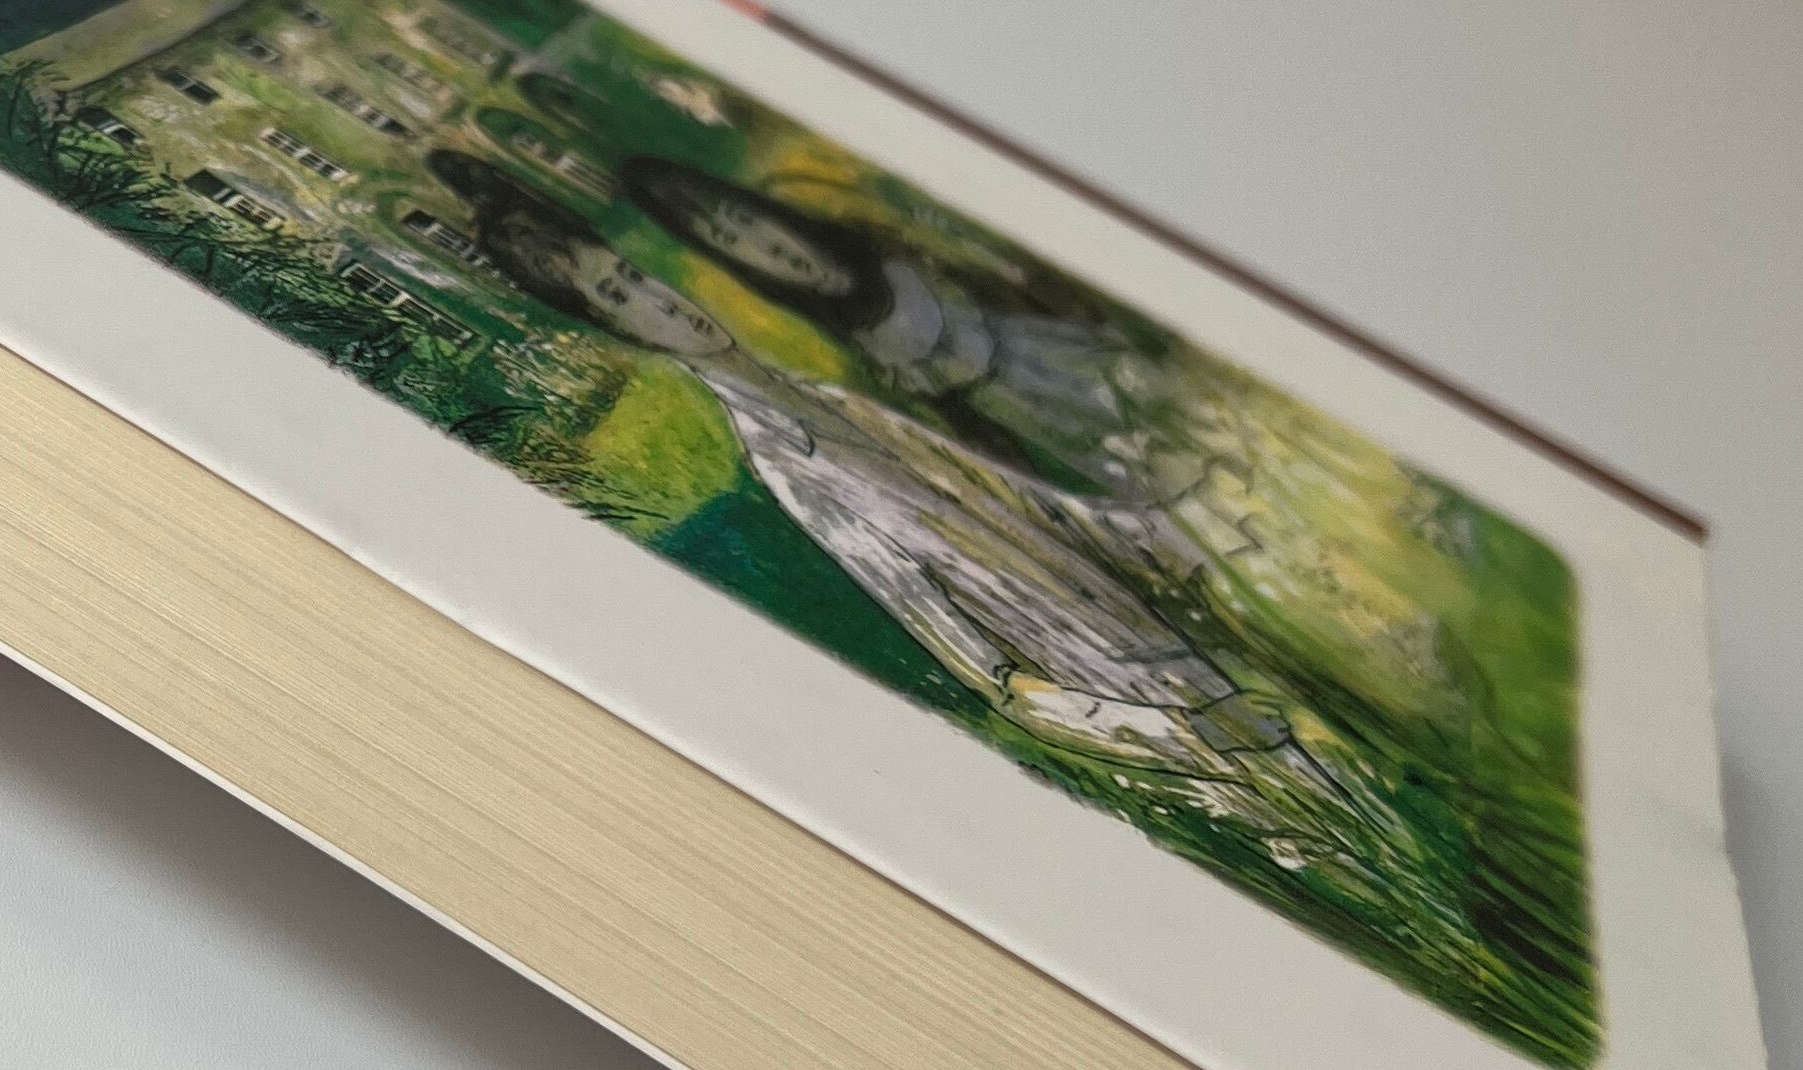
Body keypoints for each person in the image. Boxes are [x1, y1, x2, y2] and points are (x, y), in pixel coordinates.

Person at [428, 154, 1297, 787]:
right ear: (613, 327)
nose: (661, 300)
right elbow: (991, 675)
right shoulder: (793, 468)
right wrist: (1176, 734)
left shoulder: (842, 399)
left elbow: (1036, 511)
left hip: (1201, 662)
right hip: (1169, 716)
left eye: (636, 276)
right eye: (618, 298)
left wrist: (1193, 529)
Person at [618, 156, 1184, 496]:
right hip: (1063, 430)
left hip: (1085, 353)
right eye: (730, 240)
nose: (766, 248)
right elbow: (972, 436)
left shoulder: (888, 241)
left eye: (746, 220)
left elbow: (1015, 272)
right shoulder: (861, 350)